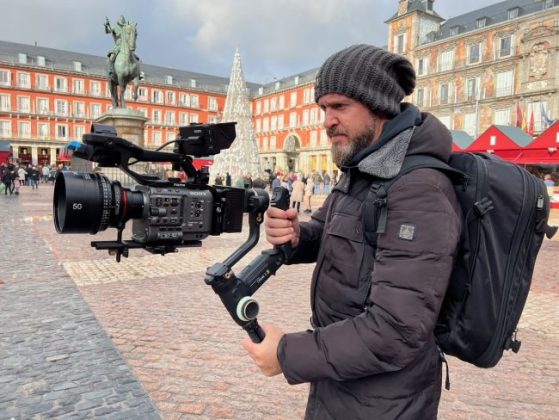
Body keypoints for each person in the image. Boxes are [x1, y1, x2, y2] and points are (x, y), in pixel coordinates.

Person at [241, 44, 462, 419]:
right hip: (340, 375)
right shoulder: (362, 170)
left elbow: (396, 331)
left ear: (378, 106)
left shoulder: (419, 189)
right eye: (323, 108)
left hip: (385, 400)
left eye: (339, 107)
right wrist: (298, 236)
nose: (327, 121)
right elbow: (326, 231)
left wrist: (286, 354)